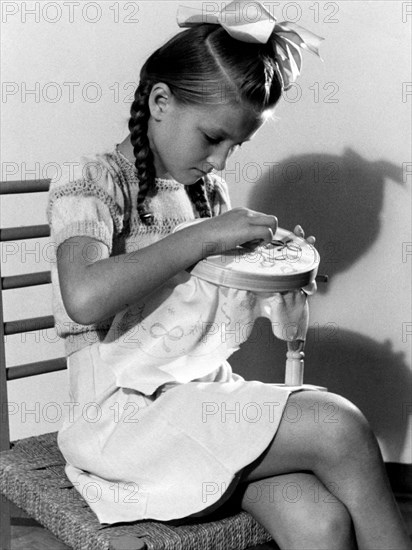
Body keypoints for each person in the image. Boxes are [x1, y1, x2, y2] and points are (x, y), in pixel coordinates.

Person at [47, 2, 411, 549]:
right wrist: (200, 238)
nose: (220, 162)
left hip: (201, 399)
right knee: (342, 425)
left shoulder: (205, 194)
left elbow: (206, 309)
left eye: (235, 145)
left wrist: (276, 281)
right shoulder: (94, 181)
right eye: (213, 137)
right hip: (124, 420)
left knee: (320, 522)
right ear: (160, 101)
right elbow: (84, 297)